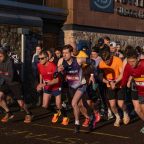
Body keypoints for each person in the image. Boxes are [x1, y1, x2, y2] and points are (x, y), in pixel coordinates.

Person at [57, 44, 95, 133]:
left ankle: (77, 124)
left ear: (71, 53)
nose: (64, 55)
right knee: (80, 106)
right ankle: (90, 117)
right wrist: (60, 72)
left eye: (66, 53)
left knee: (73, 103)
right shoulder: (61, 61)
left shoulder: (78, 60)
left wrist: (92, 76)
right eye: (63, 53)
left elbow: (92, 62)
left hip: (81, 85)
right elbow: (58, 74)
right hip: (72, 87)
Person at [98, 48, 130, 127]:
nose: (107, 62)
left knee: (120, 104)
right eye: (105, 61)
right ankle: (118, 117)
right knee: (112, 105)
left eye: (108, 60)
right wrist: (108, 82)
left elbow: (122, 74)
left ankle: (125, 113)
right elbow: (100, 77)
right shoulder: (101, 64)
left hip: (119, 83)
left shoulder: (117, 60)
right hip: (109, 84)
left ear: (111, 57)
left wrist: (115, 82)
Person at [0, 47, 33, 123]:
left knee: (20, 103)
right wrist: (5, 74)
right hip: (7, 83)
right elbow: (6, 76)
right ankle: (8, 112)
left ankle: (29, 113)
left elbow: (11, 78)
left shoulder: (10, 62)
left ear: (5, 55)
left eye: (0, 56)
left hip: (15, 83)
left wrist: (1, 73)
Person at [37, 51, 68, 125]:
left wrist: (44, 84)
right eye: (39, 58)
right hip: (47, 86)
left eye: (42, 58)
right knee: (45, 105)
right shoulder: (39, 65)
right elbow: (41, 74)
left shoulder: (53, 66)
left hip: (56, 86)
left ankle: (65, 117)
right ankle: (56, 113)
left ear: (47, 58)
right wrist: (40, 83)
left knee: (58, 105)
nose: (40, 60)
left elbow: (56, 80)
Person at [123, 49, 144, 134]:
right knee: (137, 110)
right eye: (129, 61)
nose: (131, 64)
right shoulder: (128, 66)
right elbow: (124, 78)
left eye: (133, 61)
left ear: (138, 59)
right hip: (140, 91)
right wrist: (122, 86)